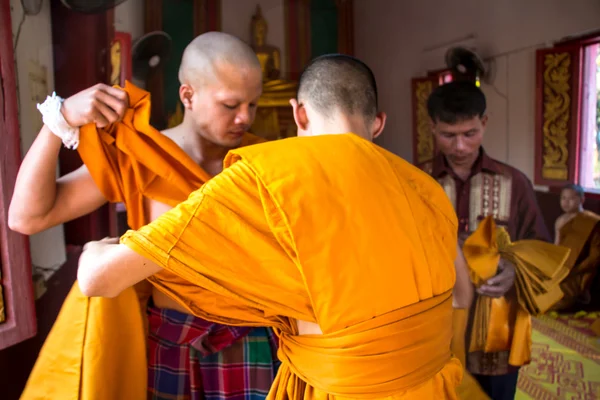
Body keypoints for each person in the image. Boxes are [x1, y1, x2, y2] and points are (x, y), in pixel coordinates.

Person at [76, 54, 464, 399]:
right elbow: (461, 295)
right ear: (377, 123)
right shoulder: (427, 189)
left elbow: (99, 279)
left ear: (299, 114)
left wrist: (97, 250)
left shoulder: (270, 178)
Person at [9, 32, 279, 400]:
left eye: (253, 103)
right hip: (169, 339)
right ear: (188, 95)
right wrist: (59, 120)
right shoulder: (142, 156)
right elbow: (27, 217)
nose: (245, 117)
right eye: (230, 105)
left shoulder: (266, 162)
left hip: (249, 336)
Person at [420, 80, 550, 400]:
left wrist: (514, 270)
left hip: (497, 331)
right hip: (436, 329)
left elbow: (541, 246)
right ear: (432, 128)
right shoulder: (417, 182)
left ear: (485, 123)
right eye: (448, 135)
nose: (460, 146)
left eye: (470, 133)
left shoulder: (514, 182)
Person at [552, 183, 600, 310]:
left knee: (556, 300)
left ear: (582, 199)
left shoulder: (593, 222)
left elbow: (595, 257)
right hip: (562, 268)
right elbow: (556, 248)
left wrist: (574, 271)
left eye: (571, 198)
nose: (566, 202)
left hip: (579, 271)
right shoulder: (560, 221)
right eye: (563, 198)